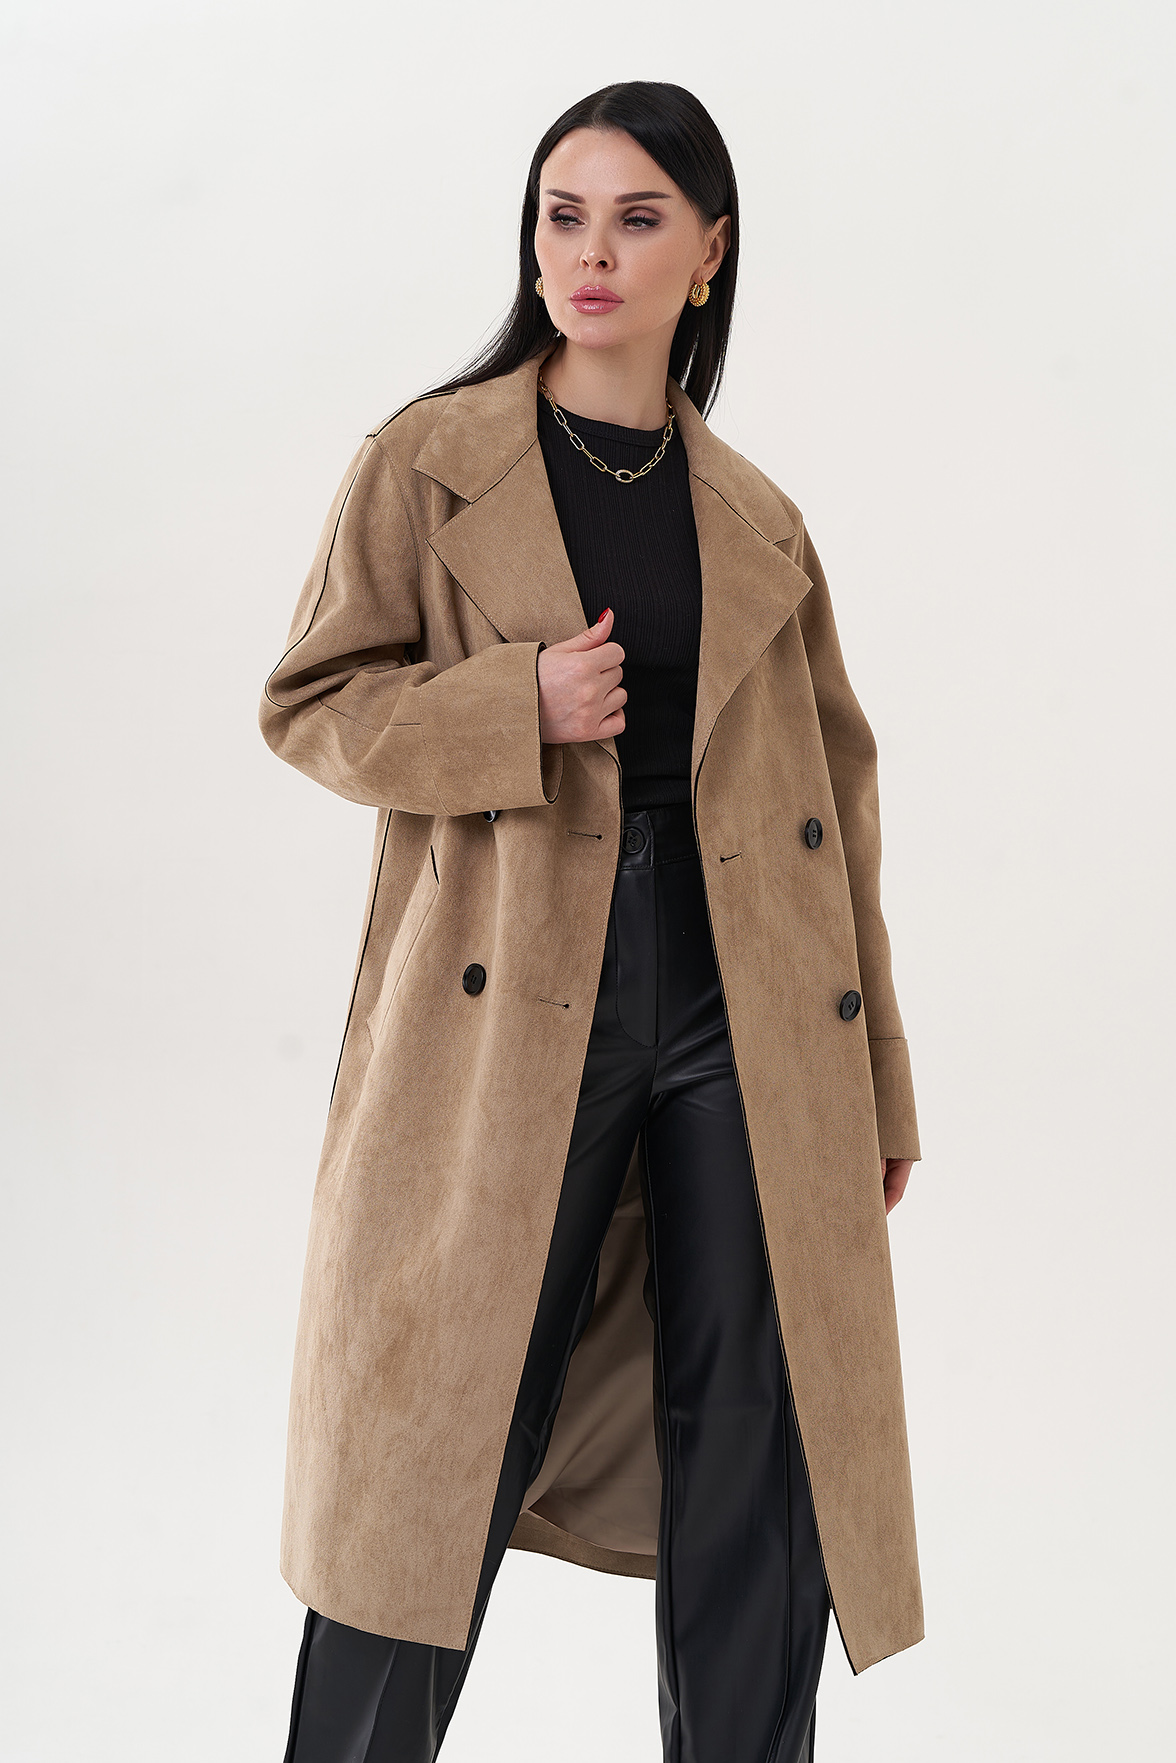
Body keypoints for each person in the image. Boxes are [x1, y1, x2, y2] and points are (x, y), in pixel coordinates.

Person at [260, 79, 923, 1763]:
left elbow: (835, 811)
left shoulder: (758, 517)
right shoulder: (428, 463)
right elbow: (312, 704)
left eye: (637, 219)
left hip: (744, 996)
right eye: (563, 215)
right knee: (432, 1432)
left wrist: (879, 1087)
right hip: (509, 998)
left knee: (755, 1436)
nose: (591, 253)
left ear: (710, 253)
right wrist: (514, 707)